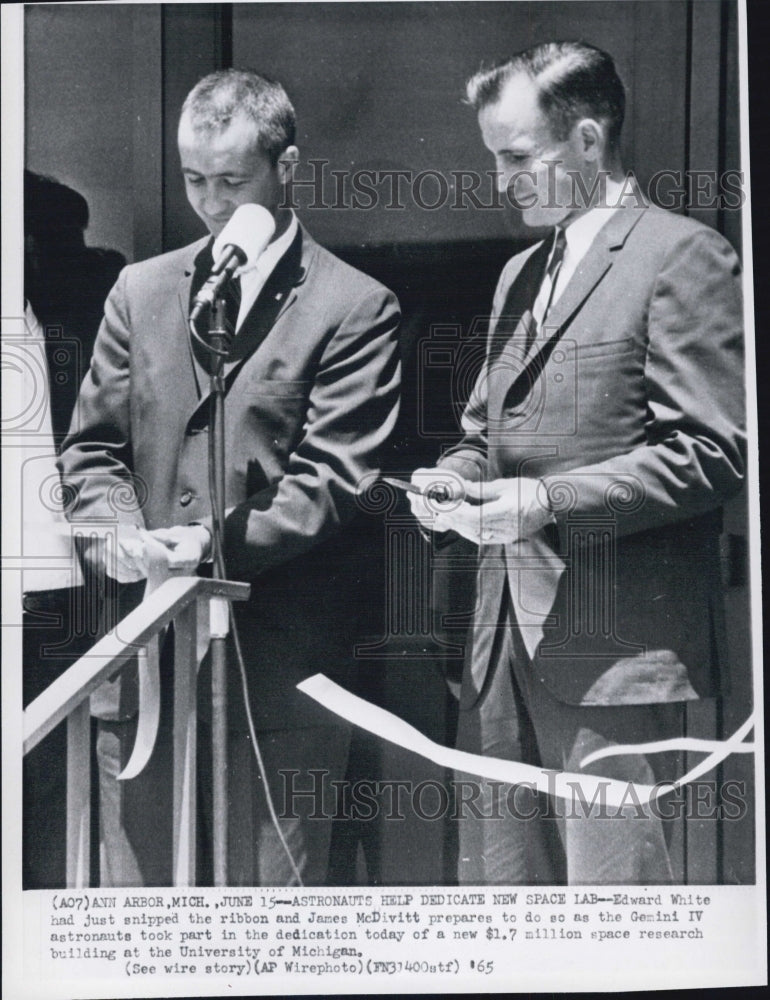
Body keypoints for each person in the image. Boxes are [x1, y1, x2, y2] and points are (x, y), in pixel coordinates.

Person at [408, 42, 745, 884]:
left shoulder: (682, 254)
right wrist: (455, 475)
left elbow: (711, 455)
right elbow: (485, 430)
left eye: (518, 157)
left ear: (589, 142)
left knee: (615, 910)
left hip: (612, 655)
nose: (500, 181)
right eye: (494, 158)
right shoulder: (521, 273)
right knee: (504, 905)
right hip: (499, 650)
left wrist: (544, 500)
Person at [58, 69, 401, 886]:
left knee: (269, 916)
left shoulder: (354, 306)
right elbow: (91, 450)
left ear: (287, 168)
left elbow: (333, 483)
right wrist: (115, 533)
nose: (210, 203)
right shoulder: (141, 290)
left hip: (279, 675)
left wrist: (207, 544)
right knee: (140, 917)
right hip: (147, 671)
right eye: (193, 180)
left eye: (231, 181)